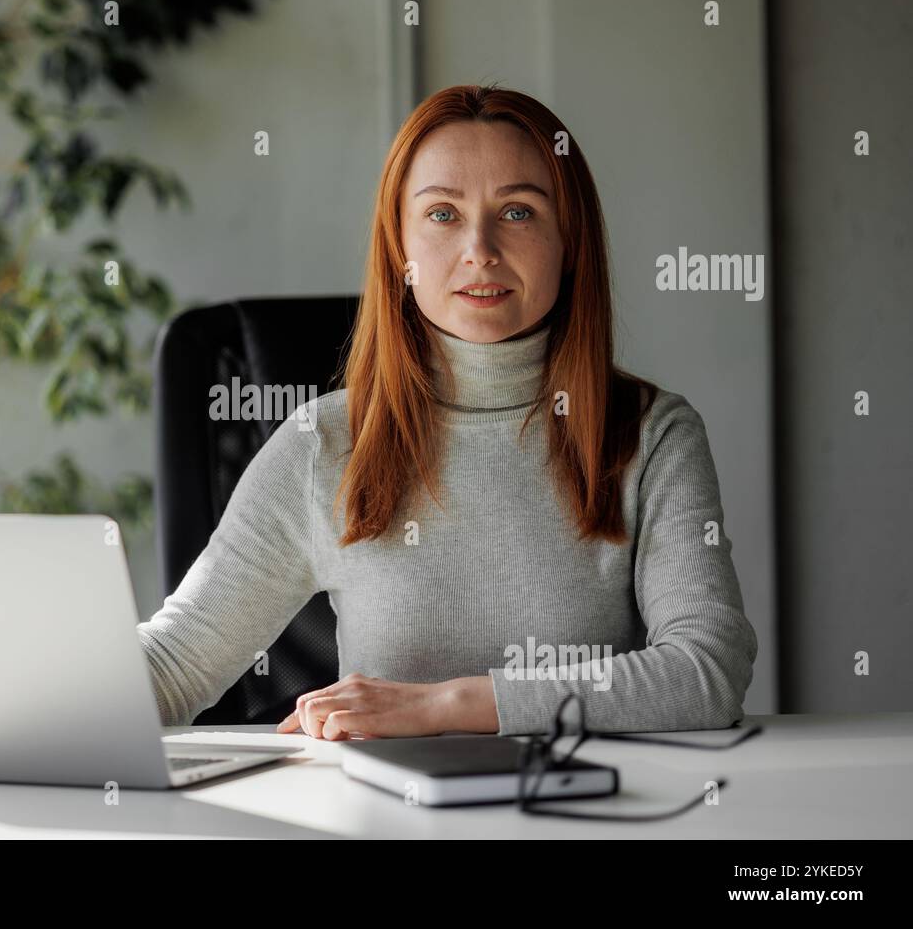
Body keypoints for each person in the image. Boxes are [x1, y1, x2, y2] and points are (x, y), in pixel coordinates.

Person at [136, 84, 758, 741]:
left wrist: (444, 708)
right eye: (442, 214)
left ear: (569, 243)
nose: (480, 249)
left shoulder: (653, 435)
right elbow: (176, 664)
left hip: (582, 812)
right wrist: (31, 702)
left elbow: (707, 669)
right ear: (398, 245)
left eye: (518, 212)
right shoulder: (324, 442)